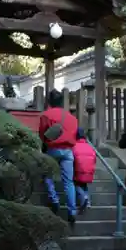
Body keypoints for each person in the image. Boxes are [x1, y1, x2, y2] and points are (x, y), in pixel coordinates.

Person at [39, 89, 79, 226]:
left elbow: (42, 134)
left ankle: (54, 199)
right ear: (62, 101)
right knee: (69, 182)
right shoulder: (72, 118)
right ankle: (72, 211)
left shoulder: (46, 115)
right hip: (68, 151)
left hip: (52, 149)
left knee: (47, 174)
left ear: (49, 101)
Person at [73, 127, 96, 214]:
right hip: (89, 171)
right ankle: (88, 201)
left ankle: (83, 197)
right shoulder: (90, 147)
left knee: (75, 184)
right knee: (84, 184)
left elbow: (72, 159)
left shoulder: (74, 146)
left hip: (78, 171)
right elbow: (94, 159)